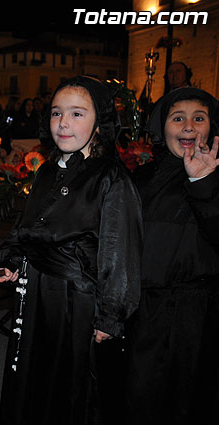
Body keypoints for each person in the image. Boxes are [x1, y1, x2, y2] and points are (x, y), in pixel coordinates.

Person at [0, 76, 142, 425]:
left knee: (72, 389)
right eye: (56, 113)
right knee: (35, 378)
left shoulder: (111, 178)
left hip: (76, 302)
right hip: (37, 297)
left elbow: (119, 250)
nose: (63, 123)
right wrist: (13, 257)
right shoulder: (46, 171)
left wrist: (110, 316)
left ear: (99, 122)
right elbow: (28, 227)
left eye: (77, 114)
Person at [125, 87, 219, 425]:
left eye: (199, 118)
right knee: (139, 393)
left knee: (191, 398)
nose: (189, 127)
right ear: (162, 127)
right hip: (145, 308)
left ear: (213, 127)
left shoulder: (216, 176)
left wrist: (202, 183)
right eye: (178, 118)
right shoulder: (141, 177)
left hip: (200, 312)